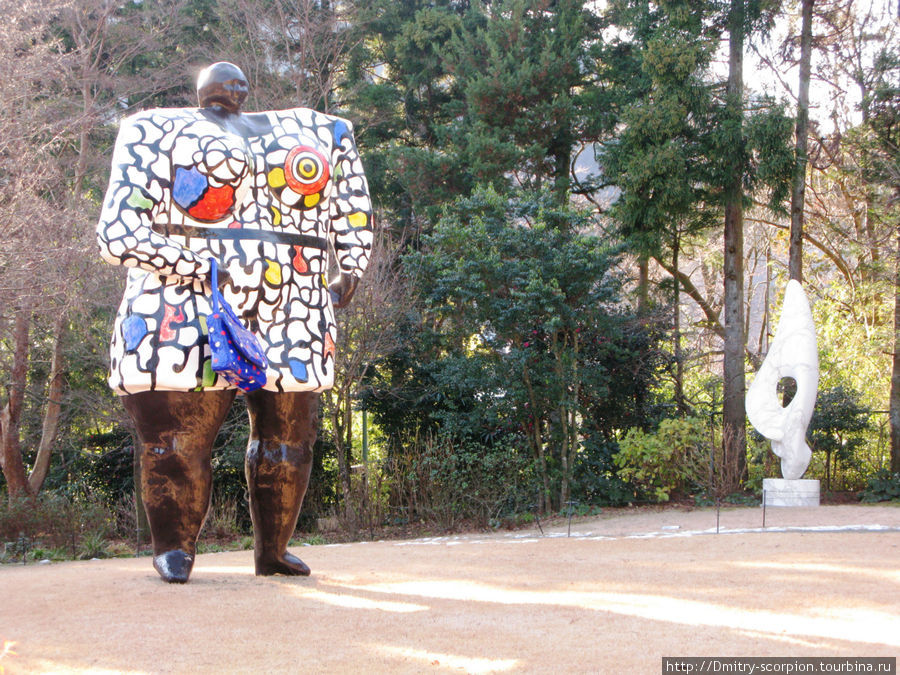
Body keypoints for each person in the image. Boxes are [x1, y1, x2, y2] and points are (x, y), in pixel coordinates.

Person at [96, 62, 373, 583]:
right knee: (177, 439)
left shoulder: (323, 132)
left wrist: (352, 261)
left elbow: (351, 205)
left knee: (290, 438)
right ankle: (173, 548)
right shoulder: (152, 130)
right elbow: (117, 231)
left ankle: (274, 550)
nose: (232, 90)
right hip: (184, 299)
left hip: (294, 299)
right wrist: (196, 266)